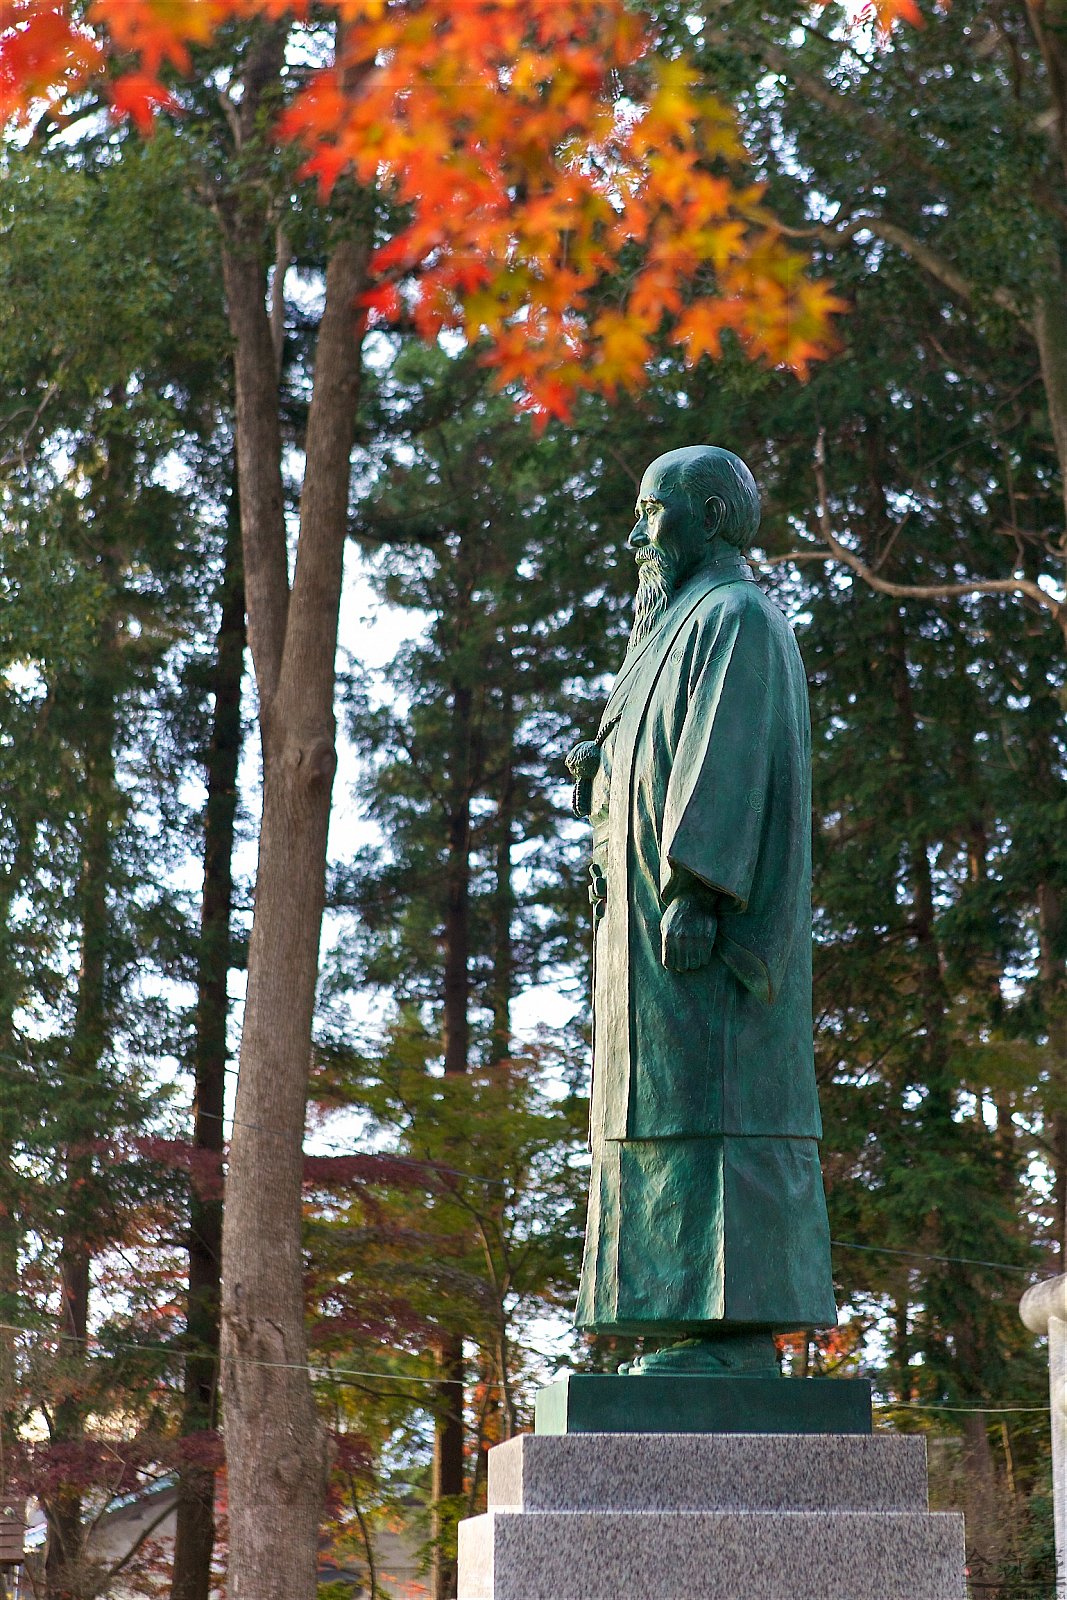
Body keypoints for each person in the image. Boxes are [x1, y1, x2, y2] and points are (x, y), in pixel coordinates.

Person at [565, 445, 837, 1376]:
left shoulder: (735, 617)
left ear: (711, 516)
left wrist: (696, 888)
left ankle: (734, 1338)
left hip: (698, 940)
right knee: (656, 1110)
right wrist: (602, 773)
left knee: (712, 1109)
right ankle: (680, 1323)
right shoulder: (669, 628)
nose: (635, 535)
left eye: (651, 511)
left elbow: (728, 757)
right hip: (640, 947)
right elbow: (654, 763)